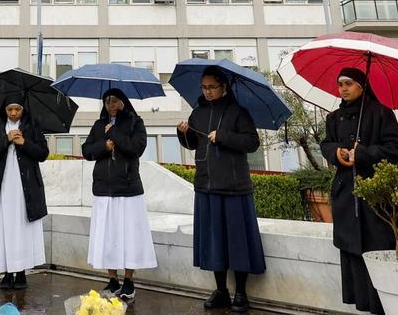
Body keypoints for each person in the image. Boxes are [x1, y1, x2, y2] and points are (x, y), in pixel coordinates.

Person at [178, 66, 266, 312]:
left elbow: (252, 142)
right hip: (206, 185)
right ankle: (221, 291)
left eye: (212, 87)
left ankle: (241, 292)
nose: (207, 92)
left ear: (223, 87)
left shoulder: (239, 112)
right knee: (214, 241)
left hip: (234, 187)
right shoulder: (197, 113)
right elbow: (193, 144)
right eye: (204, 87)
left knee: (237, 241)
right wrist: (182, 133)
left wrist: (225, 136)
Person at [320, 65, 398, 314]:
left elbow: (397, 148)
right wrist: (336, 153)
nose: (343, 89)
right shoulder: (333, 118)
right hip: (347, 196)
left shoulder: (381, 113)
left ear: (361, 85)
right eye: (340, 84)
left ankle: (383, 307)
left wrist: (364, 154)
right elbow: (326, 144)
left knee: (378, 251)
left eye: (348, 83)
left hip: (376, 201)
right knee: (354, 253)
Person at [82, 88, 157, 301]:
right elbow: (87, 150)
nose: (111, 105)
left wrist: (114, 132)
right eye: (107, 102)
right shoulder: (99, 125)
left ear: (123, 102)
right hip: (104, 189)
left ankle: (129, 281)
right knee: (108, 236)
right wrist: (105, 145)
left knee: (128, 237)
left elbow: (136, 148)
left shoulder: (135, 123)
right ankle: (113, 279)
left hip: (128, 190)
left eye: (115, 101)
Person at [0, 100, 48, 291]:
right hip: (2, 186)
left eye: (17, 109)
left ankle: (20, 272)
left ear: (23, 109)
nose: (13, 113)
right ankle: (6, 271)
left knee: (22, 226)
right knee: (4, 226)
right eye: (10, 109)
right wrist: (6, 140)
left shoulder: (33, 126)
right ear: (4, 110)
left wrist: (24, 142)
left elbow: (43, 153)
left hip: (25, 186)